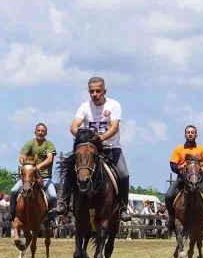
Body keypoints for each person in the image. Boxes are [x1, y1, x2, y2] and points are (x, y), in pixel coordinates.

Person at [53, 76, 132, 221]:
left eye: (98, 91)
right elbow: (73, 126)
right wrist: (84, 138)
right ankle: (63, 202)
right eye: (91, 91)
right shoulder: (84, 106)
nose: (95, 94)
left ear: (104, 91)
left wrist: (99, 139)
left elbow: (114, 128)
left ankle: (122, 207)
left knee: (124, 174)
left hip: (110, 148)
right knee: (69, 169)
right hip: (88, 149)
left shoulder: (114, 105)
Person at [163, 125, 203, 231]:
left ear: (196, 135)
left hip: (199, 179)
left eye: (192, 132)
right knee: (168, 196)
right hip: (182, 179)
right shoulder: (178, 149)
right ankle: (171, 218)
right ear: (185, 134)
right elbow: (173, 166)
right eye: (188, 132)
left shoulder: (201, 149)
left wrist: (201, 164)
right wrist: (182, 167)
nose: (190, 134)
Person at [10, 122, 57, 221]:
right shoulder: (30, 143)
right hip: (29, 177)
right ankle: (13, 214)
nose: (40, 133)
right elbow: (22, 155)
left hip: (45, 177)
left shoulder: (49, 144)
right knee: (13, 191)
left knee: (53, 196)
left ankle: (51, 217)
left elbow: (50, 159)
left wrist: (38, 166)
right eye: (38, 130)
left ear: (46, 133)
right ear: (35, 132)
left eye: (42, 131)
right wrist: (25, 163)